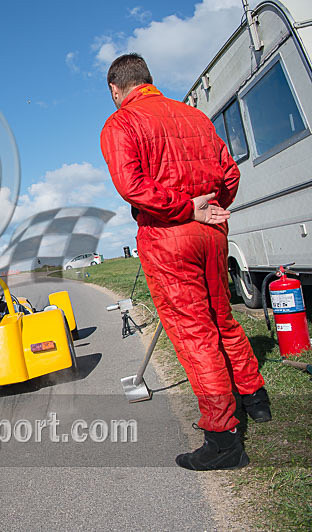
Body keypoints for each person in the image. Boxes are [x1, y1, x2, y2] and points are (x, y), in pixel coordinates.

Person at [99, 53, 271, 471]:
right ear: (150, 79)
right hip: (211, 235)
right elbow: (229, 173)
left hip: (167, 236)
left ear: (116, 89)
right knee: (222, 318)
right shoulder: (194, 116)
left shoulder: (121, 123)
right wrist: (213, 208)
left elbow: (132, 185)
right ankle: (256, 399)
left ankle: (223, 437)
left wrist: (184, 209)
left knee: (194, 333)